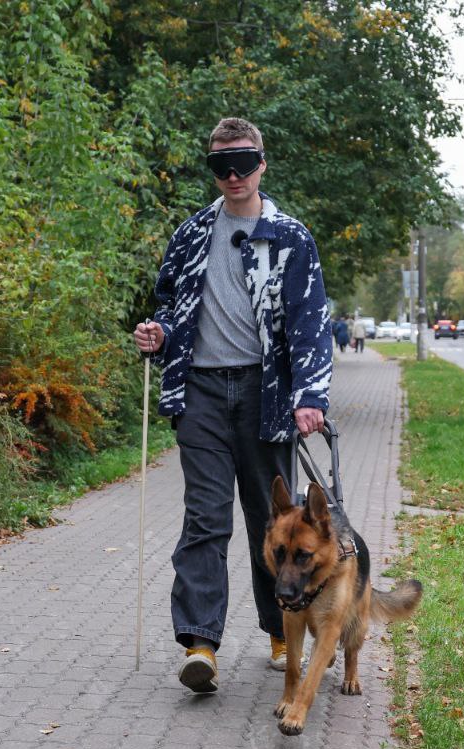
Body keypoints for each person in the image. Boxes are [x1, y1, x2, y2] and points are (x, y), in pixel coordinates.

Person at [133, 117, 333, 694]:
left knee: (269, 522)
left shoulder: (289, 237)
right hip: (198, 392)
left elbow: (311, 323)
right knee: (206, 516)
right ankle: (200, 644)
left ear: (262, 164)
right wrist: (159, 335)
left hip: (264, 397)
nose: (234, 175)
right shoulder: (192, 234)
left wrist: (310, 397)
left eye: (244, 163)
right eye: (222, 166)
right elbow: (170, 306)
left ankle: (280, 628)